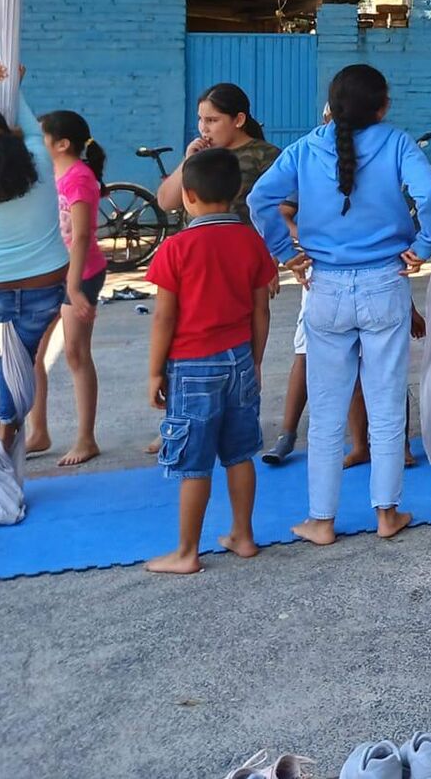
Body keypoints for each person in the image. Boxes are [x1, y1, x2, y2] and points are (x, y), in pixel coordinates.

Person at [248, 63, 431, 544]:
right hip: (385, 283)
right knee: (386, 401)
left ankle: (321, 520)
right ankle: (386, 514)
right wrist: (425, 244)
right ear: (383, 107)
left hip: (325, 288)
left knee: (328, 408)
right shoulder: (397, 142)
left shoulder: (304, 148)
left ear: (330, 108)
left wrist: (284, 253)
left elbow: (259, 198)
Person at [143, 146, 278, 574]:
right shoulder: (251, 242)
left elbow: (164, 316)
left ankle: (186, 552)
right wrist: (254, 361)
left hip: (190, 367)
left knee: (193, 463)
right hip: (239, 359)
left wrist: (153, 371)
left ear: (188, 195)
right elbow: (262, 310)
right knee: (240, 454)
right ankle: (244, 535)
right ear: (237, 190)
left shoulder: (176, 249)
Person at [0, 63, 69, 451]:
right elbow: (25, 121)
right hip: (45, 286)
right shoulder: (42, 164)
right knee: (22, 357)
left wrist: (8, 85)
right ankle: (8, 422)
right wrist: (11, 87)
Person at [35, 109, 109, 466]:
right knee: (34, 354)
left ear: (62, 143)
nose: (36, 141)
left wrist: (75, 287)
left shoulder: (78, 178)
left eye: (42, 136)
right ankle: (38, 431)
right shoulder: (50, 172)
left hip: (81, 274)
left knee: (75, 354)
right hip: (53, 274)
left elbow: (81, 236)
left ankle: (86, 438)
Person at [156, 83, 281, 223]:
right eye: (200, 119)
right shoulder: (201, 155)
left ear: (239, 120)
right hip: (196, 241)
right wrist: (188, 160)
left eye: (212, 120)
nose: (203, 128)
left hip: (241, 241)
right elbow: (166, 203)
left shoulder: (266, 156)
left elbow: (282, 209)